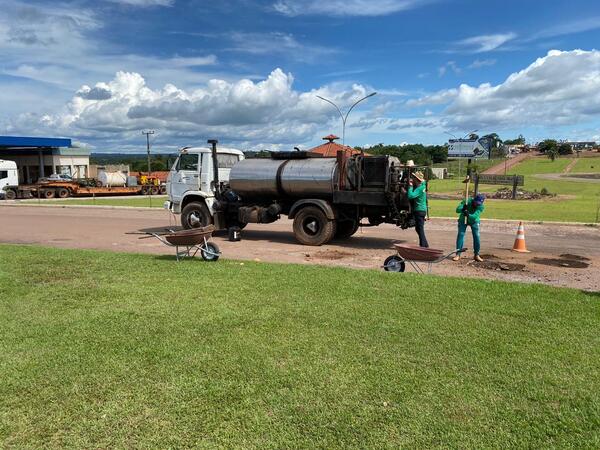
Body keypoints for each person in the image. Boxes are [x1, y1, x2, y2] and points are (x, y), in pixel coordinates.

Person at [453, 193, 485, 262]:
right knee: (461, 234)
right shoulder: (467, 201)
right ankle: (458, 254)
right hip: (463, 219)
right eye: (476, 203)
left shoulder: (481, 207)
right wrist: (463, 209)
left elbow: (474, 217)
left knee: (476, 236)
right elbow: (457, 210)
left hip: (474, 221)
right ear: (474, 200)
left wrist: (468, 215)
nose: (477, 205)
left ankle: (476, 254)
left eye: (479, 204)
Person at [407, 171, 429, 248]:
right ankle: (424, 244)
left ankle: (423, 246)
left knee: (420, 229)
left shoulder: (419, 189)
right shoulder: (423, 186)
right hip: (422, 210)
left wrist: (410, 187)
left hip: (419, 210)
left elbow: (410, 196)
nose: (413, 179)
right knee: (418, 228)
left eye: (414, 178)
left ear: (417, 179)